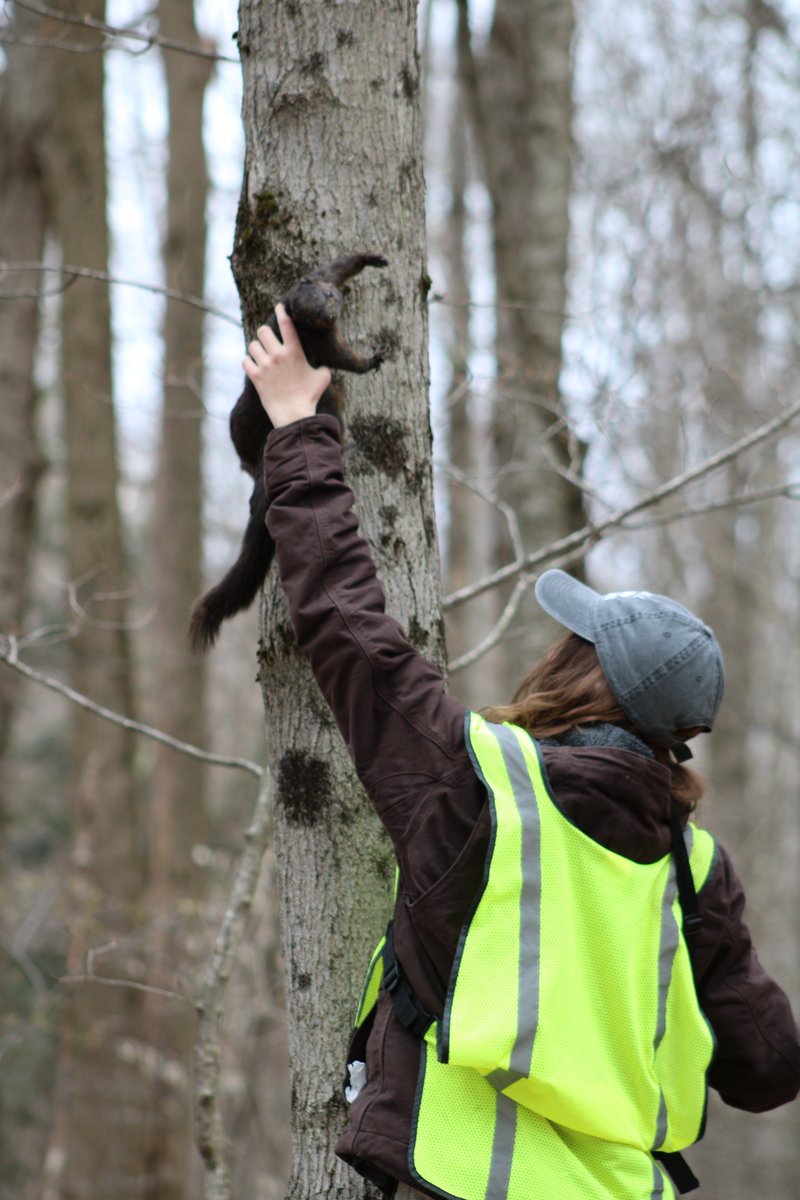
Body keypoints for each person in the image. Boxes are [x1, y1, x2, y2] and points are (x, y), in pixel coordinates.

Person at [244, 307, 800, 1200]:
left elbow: (349, 629)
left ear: (578, 675)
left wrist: (298, 430)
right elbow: (768, 1069)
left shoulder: (481, 785)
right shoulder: (695, 873)